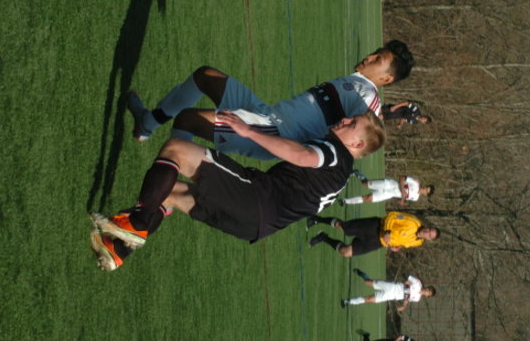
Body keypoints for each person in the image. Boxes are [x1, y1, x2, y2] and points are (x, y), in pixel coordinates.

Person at [89, 110, 385, 271]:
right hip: (254, 227)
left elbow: (303, 156)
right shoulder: (341, 176)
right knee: (170, 194)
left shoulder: (334, 152)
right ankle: (118, 250)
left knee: (176, 149)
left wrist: (248, 131)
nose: (344, 120)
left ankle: (137, 224)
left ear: (357, 144)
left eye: (352, 123)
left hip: (254, 198)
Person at [126, 40, 414, 160]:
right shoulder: (360, 82)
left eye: (379, 59)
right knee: (206, 76)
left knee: (189, 119)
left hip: (273, 132)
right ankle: (147, 123)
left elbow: (360, 139)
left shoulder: (367, 97)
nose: (370, 57)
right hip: (265, 113)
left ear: (387, 78)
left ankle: (164, 188)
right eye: (375, 52)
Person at [307, 211, 439, 257]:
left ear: (429, 240)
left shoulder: (418, 242)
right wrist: (386, 231)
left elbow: (401, 240)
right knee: (342, 227)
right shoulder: (413, 222)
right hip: (374, 227)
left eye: (429, 235)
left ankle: (323, 238)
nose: (427, 233)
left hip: (377, 243)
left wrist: (395, 246)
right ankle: (317, 219)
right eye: (429, 230)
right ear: (428, 227)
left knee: (346, 252)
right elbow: (392, 215)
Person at [341, 269, 435, 311]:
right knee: (368, 282)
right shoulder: (418, 283)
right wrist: (407, 283)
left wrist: (403, 306)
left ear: (427, 296)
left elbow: (407, 299)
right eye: (428, 289)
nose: (427, 291)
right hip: (392, 286)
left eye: (429, 293)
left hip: (391, 296)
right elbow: (409, 279)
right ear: (427, 287)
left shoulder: (417, 299)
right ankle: (362, 274)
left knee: (369, 299)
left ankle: (347, 301)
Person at [342, 171, 434, 207]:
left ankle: (345, 201)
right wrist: (402, 192)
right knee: (365, 184)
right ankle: (357, 173)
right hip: (388, 184)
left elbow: (403, 198)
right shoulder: (416, 183)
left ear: (426, 194)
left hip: (388, 194)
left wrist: (402, 202)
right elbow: (402, 178)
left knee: (368, 198)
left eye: (426, 190)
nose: (424, 188)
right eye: (426, 187)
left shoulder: (415, 198)